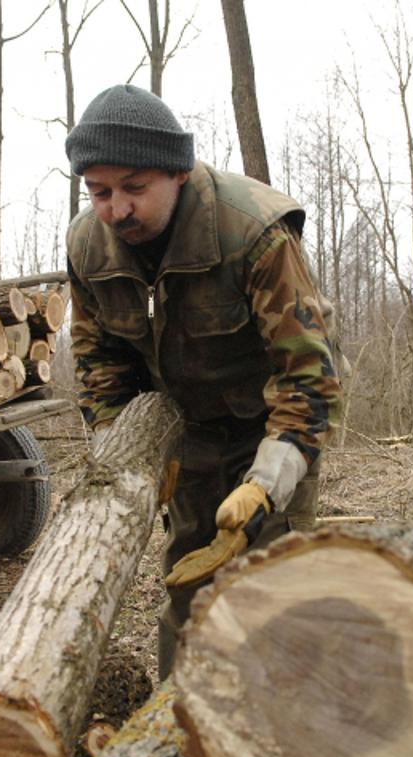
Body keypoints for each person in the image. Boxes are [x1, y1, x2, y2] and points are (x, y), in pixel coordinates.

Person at [64, 84, 342, 677]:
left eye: (135, 188)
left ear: (179, 173)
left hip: (268, 431)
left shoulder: (254, 233)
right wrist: (129, 457)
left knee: (272, 594)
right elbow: (99, 364)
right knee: (191, 596)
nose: (116, 209)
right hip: (186, 441)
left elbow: (311, 375)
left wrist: (269, 479)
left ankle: (284, 743)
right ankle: (174, 740)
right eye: (100, 191)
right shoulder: (88, 244)